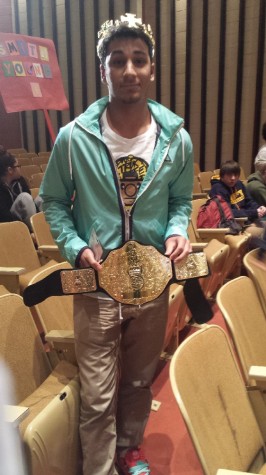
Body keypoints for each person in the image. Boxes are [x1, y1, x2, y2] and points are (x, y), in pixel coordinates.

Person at [40, 13, 193, 475]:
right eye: (118, 60)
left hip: (153, 284)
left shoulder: (176, 140)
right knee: (98, 391)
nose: (129, 70)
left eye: (139, 60)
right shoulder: (73, 139)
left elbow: (181, 201)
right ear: (102, 69)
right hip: (96, 286)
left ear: (152, 69)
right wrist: (73, 246)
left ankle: (130, 448)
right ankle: (100, 468)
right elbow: (52, 201)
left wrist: (176, 231)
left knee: (140, 380)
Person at [209, 160, 266, 224]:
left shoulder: (239, 184)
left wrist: (259, 208)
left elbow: (249, 201)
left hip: (247, 220)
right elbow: (227, 212)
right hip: (231, 225)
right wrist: (253, 212)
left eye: (236, 175)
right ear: (222, 176)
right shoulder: (217, 189)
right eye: (229, 175)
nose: (233, 178)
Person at [0, 147, 41, 229]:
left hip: (26, 218)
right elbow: (4, 216)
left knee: (43, 197)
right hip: (12, 224)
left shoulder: (21, 180)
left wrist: (38, 215)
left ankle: (44, 227)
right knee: (25, 197)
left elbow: (30, 204)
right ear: (10, 170)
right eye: (18, 166)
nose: (20, 168)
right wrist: (23, 227)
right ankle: (35, 231)